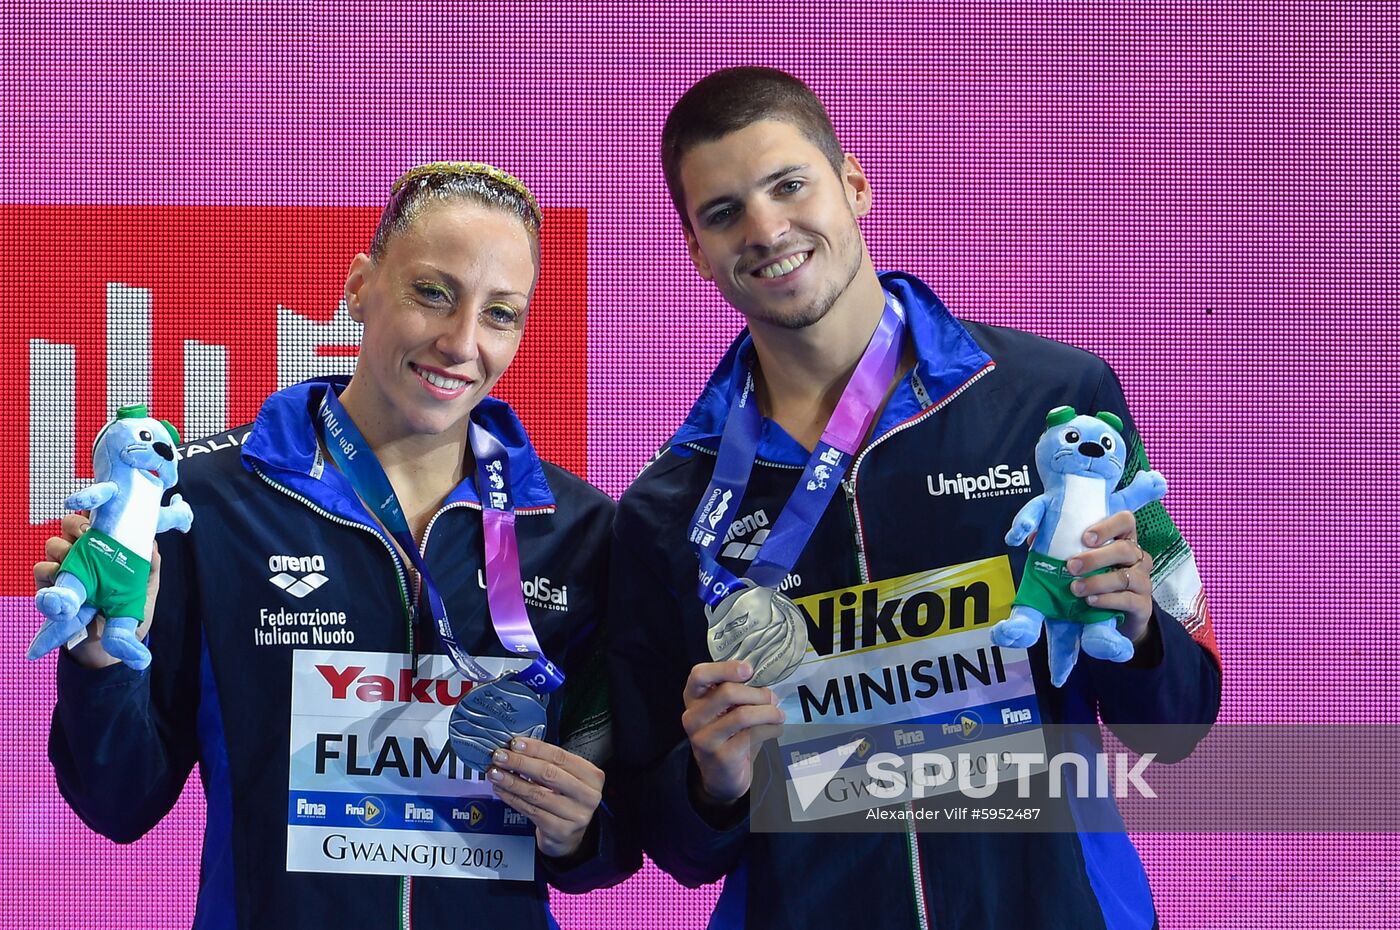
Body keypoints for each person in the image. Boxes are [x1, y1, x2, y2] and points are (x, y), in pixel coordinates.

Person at [608, 68, 1222, 929]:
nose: (766, 228)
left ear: (854, 183)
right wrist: (716, 779)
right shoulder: (670, 509)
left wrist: (1142, 625)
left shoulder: (1060, 402)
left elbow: (1184, 717)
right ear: (694, 250)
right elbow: (671, 843)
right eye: (723, 213)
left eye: (789, 185)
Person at [37, 162, 638, 928]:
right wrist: (98, 661)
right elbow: (116, 803)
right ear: (360, 286)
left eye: (502, 313)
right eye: (434, 292)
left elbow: (615, 838)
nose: (461, 342)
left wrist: (583, 827)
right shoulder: (211, 502)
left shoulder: (576, 529)